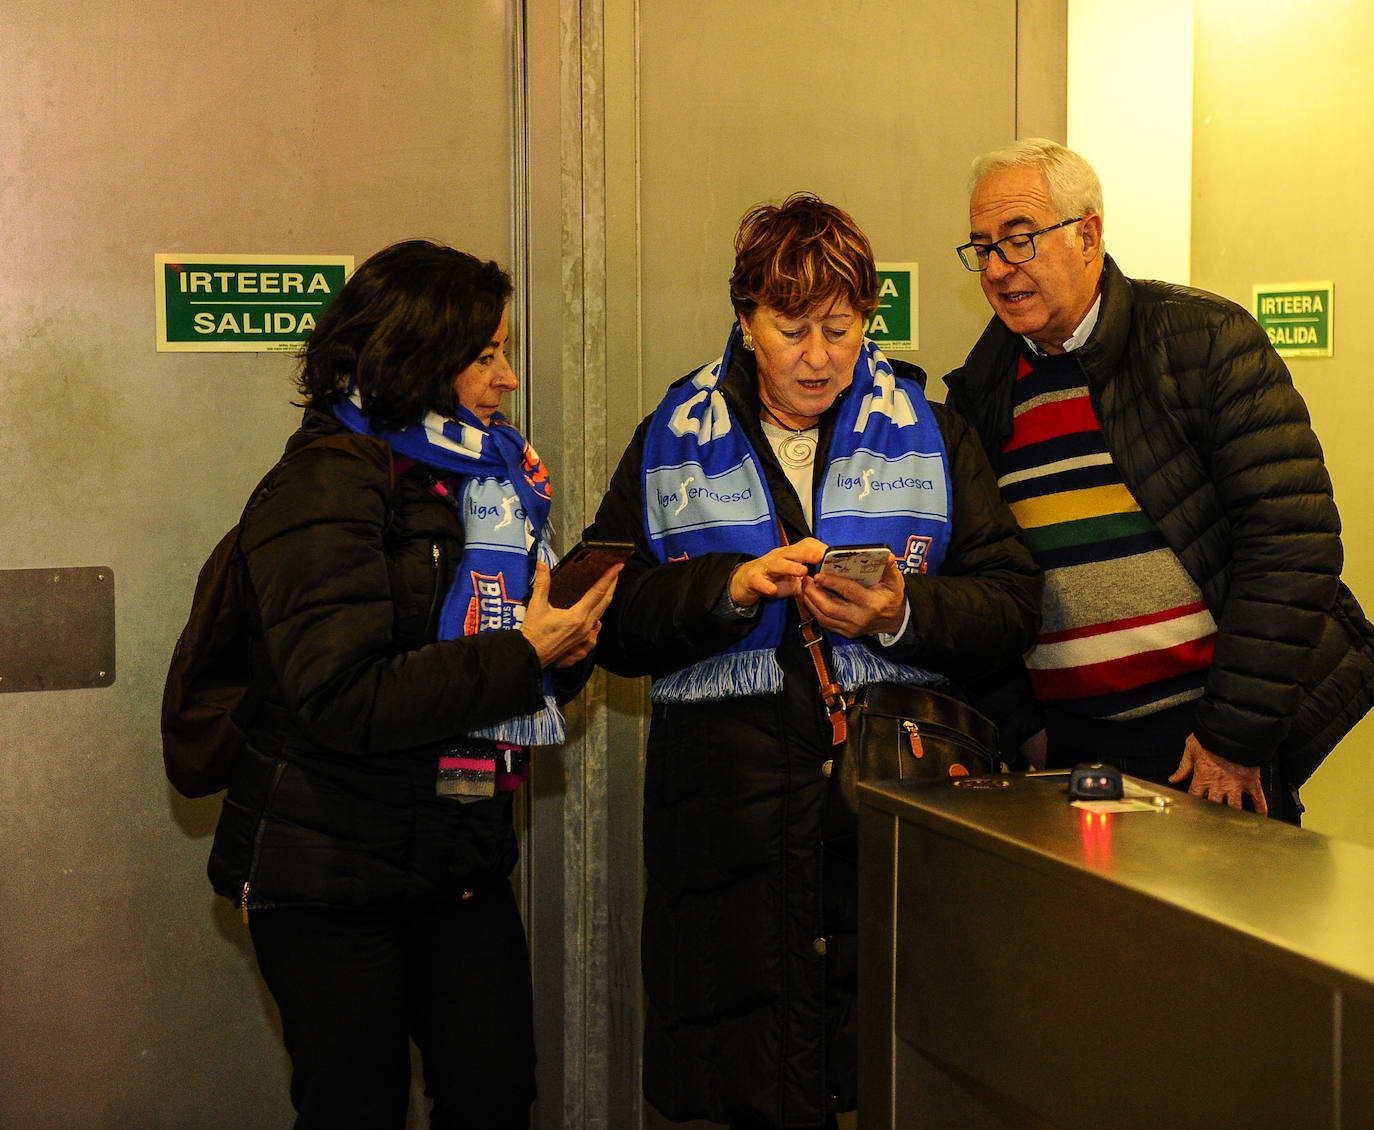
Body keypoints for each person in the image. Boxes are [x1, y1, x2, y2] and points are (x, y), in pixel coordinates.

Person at [586, 193, 1042, 1129]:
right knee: (755, 1085)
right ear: (744, 319)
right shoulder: (670, 438)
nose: (820, 356)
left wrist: (901, 612)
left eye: (841, 328)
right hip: (726, 833)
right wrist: (727, 590)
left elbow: (1011, 603)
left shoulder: (934, 429)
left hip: (886, 808)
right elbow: (609, 621)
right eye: (791, 329)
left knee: (890, 1078)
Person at [205, 239, 618, 1129]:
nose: (508, 379)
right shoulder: (325, 480)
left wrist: (564, 649)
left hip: (455, 859)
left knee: (495, 1095)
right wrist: (523, 656)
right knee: (356, 1109)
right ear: (416, 356)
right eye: (485, 355)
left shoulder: (482, 479)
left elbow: (480, 666)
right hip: (327, 877)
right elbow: (341, 696)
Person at [945, 138, 1374, 823]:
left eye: (1020, 241)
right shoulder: (981, 392)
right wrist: (1026, 729)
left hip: (1207, 754)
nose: (998, 268)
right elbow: (980, 579)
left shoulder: (1201, 341)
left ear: (1088, 235)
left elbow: (1293, 543)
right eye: (983, 247)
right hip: (1070, 765)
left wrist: (1232, 741)